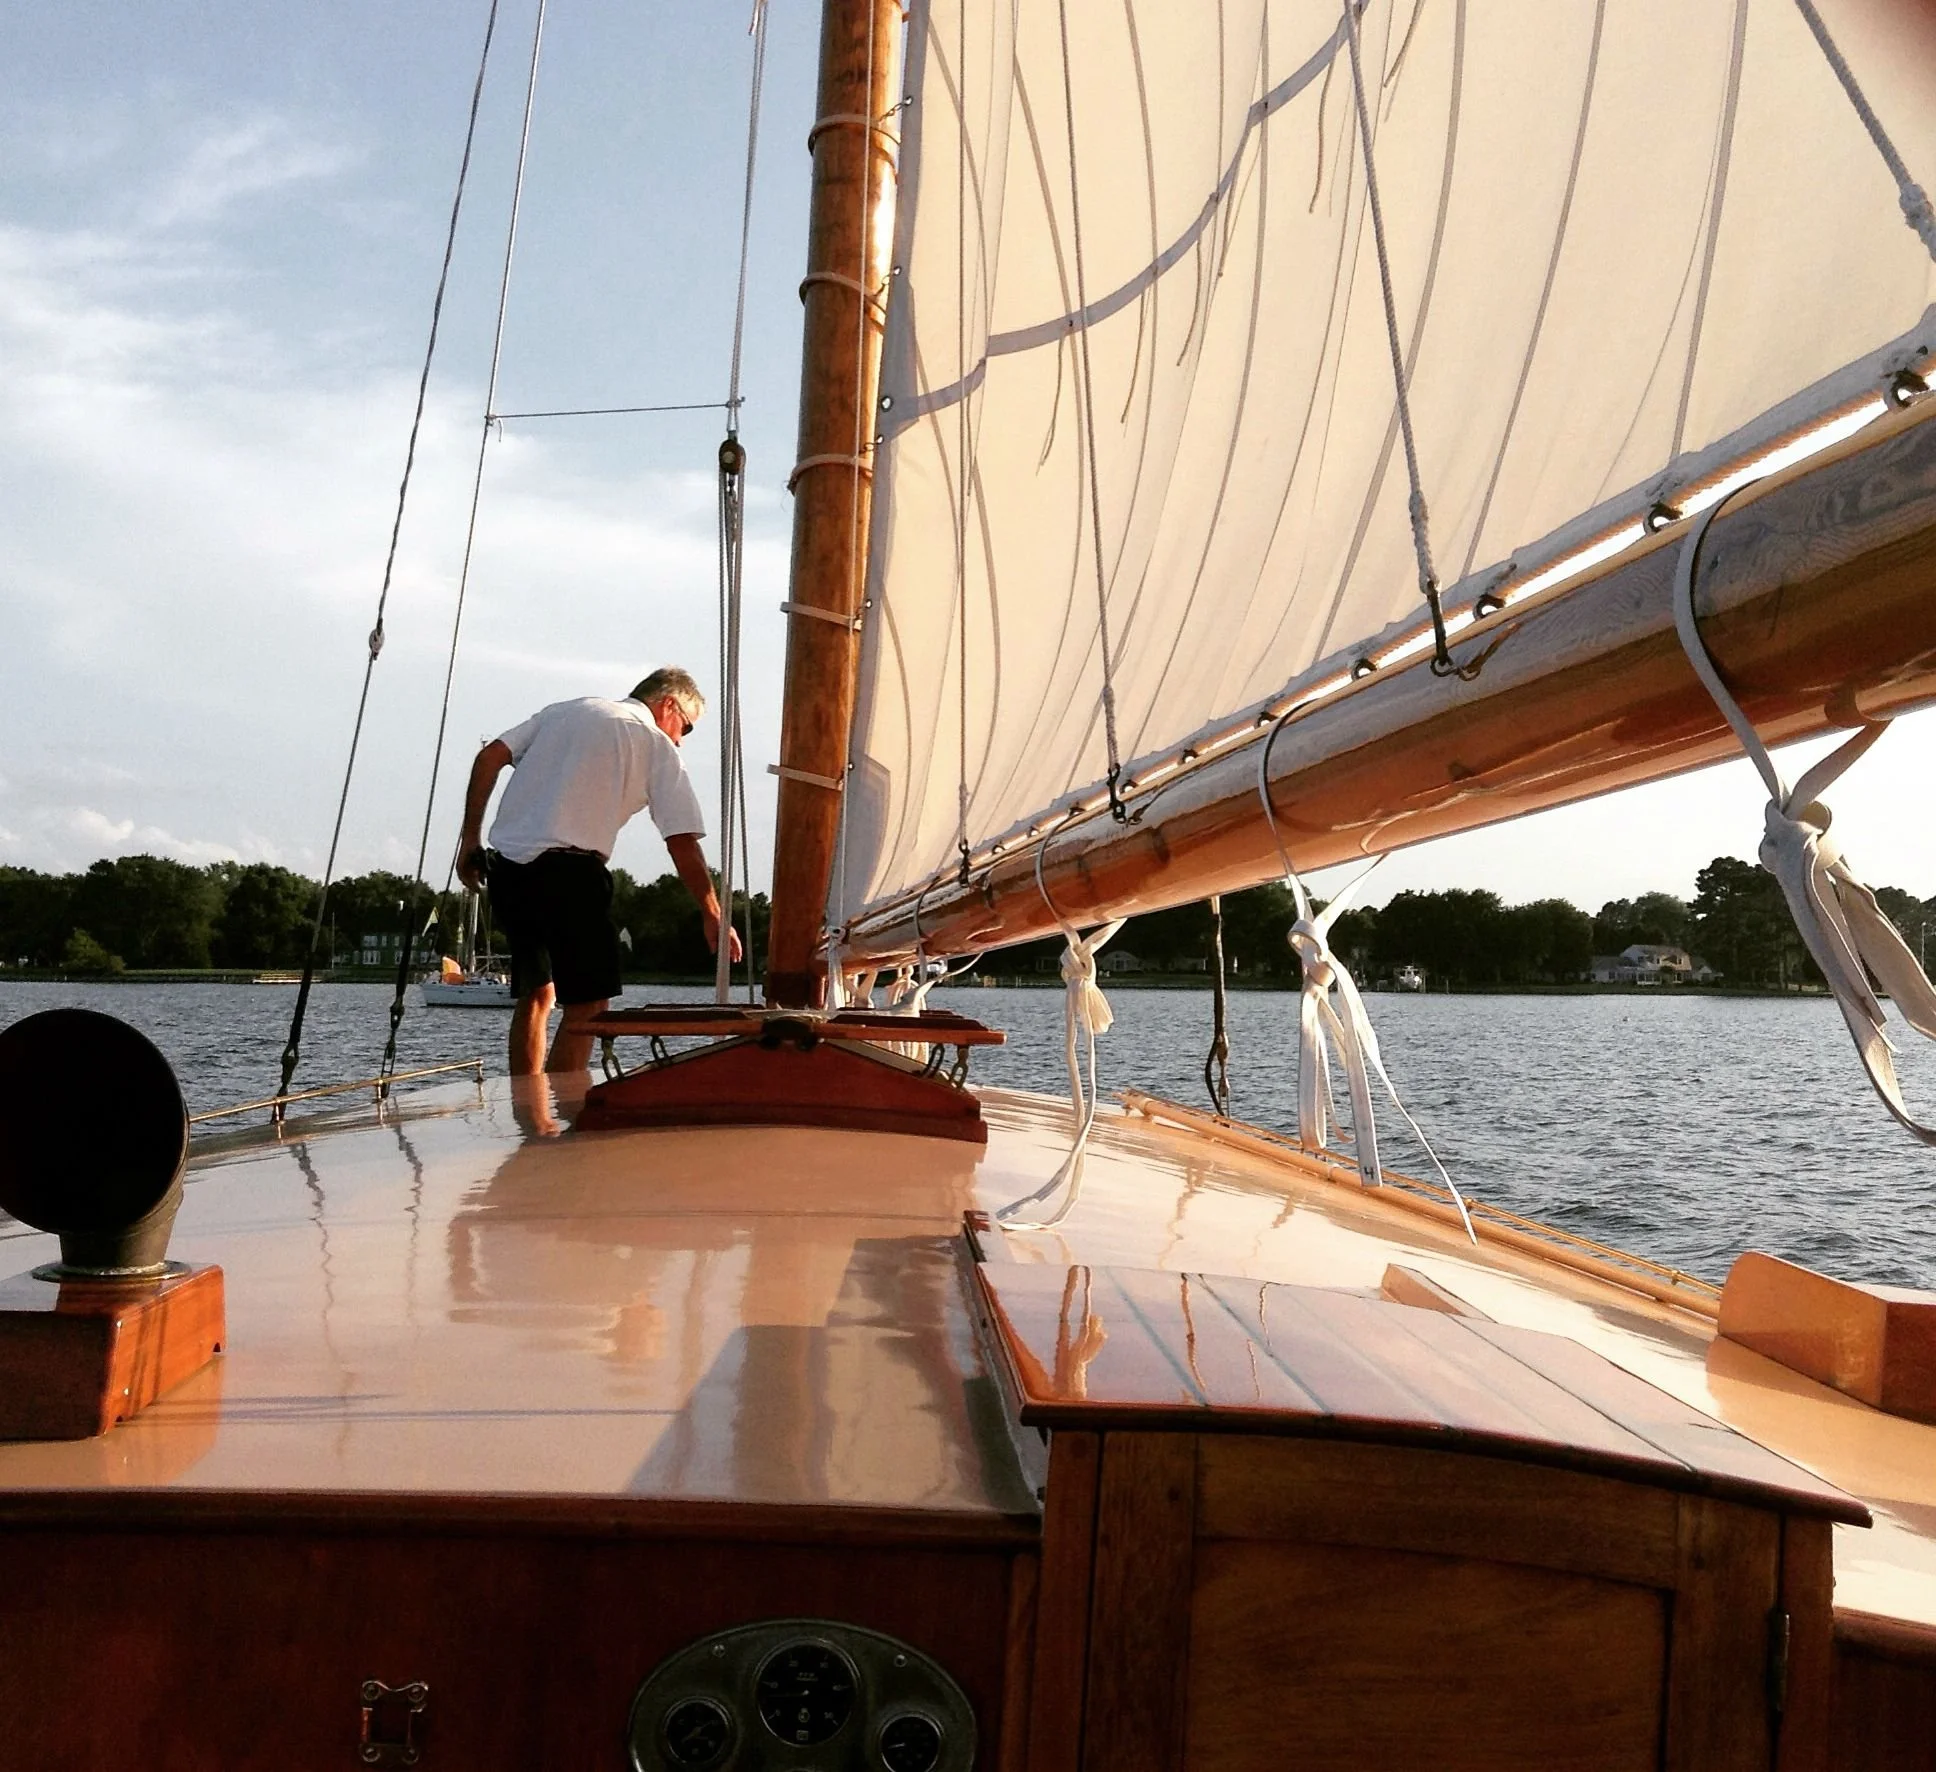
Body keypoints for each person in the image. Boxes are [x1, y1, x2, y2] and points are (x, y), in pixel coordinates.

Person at [456, 668, 742, 1075]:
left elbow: (490, 758)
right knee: (589, 1005)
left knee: (537, 994)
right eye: (687, 727)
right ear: (669, 705)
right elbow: (681, 840)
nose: (681, 739)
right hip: (571, 875)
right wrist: (712, 912)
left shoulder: (565, 711)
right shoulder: (655, 743)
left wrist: (470, 840)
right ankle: (559, 1115)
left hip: (509, 870)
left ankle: (528, 1111)